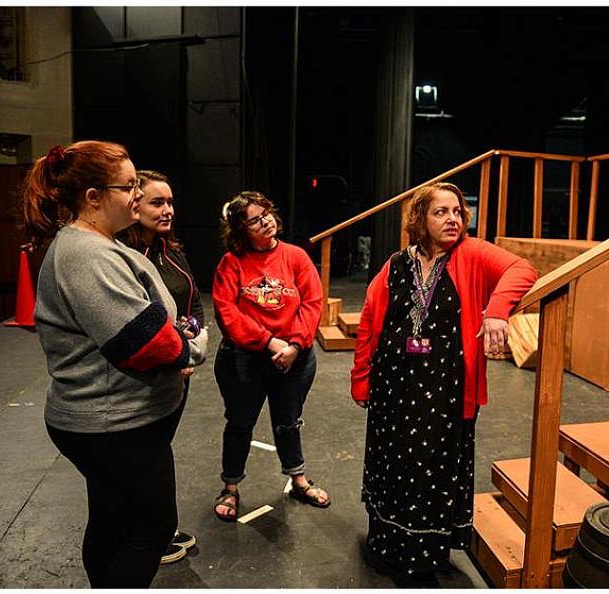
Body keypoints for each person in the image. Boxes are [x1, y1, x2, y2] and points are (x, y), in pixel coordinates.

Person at [25, 141, 209, 587]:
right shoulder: (88, 254)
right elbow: (142, 343)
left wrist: (178, 337)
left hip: (116, 420)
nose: (136, 196)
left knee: (111, 517)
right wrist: (192, 348)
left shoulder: (93, 245)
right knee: (150, 530)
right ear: (93, 197)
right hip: (114, 424)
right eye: (128, 187)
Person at [351, 182, 537, 581]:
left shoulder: (470, 253)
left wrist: (497, 311)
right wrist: (361, 378)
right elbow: (371, 320)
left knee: (430, 472)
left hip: (444, 393)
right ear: (420, 219)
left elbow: (523, 269)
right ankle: (385, 544)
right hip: (393, 387)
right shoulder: (397, 263)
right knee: (390, 464)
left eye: (457, 212)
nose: (453, 218)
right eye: (441, 212)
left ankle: (423, 557)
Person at [211, 191, 329, 521]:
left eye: (267, 214)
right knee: (239, 424)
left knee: (288, 422)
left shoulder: (296, 257)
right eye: (255, 219)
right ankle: (230, 488)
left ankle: (299, 480)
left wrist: (293, 345)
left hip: (294, 357)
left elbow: (312, 303)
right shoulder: (231, 263)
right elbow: (227, 312)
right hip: (245, 359)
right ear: (239, 230)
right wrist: (268, 342)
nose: (266, 222)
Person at [118, 169, 204, 564]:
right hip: (144, 377)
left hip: (178, 370)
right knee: (142, 460)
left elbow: (195, 305)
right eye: (157, 202)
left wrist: (191, 346)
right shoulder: (124, 257)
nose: (168, 209)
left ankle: (157, 528)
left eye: (170, 201)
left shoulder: (172, 250)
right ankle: (145, 533)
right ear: (134, 206)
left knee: (158, 453)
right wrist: (179, 353)